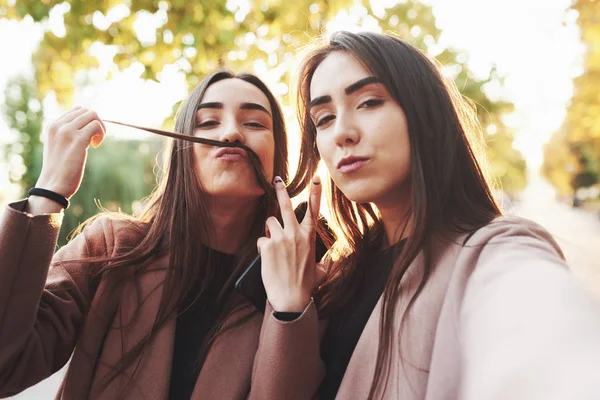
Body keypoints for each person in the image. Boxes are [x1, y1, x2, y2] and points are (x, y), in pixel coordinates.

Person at [258, 31, 600, 400]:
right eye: (323, 119)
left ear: (425, 114)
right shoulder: (337, 277)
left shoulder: (492, 252)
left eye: (370, 102)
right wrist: (290, 308)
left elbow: (542, 337)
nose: (341, 132)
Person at [0, 71, 324, 399]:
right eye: (208, 122)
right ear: (181, 150)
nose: (231, 133)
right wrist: (48, 193)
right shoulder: (112, 247)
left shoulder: (305, 280)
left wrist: (291, 310)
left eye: (254, 123)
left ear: (278, 155)